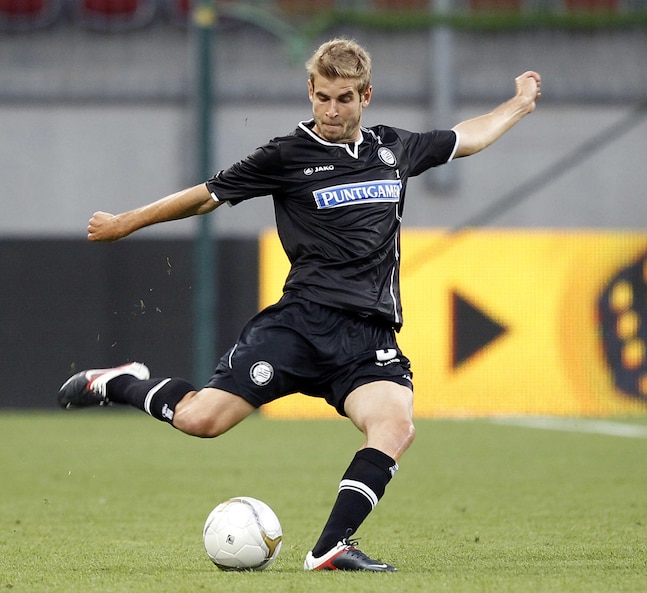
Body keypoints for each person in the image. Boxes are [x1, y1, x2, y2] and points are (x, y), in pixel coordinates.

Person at [58, 37, 541, 572]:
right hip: (299, 327)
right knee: (202, 421)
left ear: (366, 97)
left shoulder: (393, 149)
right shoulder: (286, 155)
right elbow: (205, 195)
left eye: (345, 99)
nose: (332, 111)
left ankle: (330, 547)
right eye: (323, 97)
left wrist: (516, 106)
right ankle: (120, 382)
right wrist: (127, 222)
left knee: (396, 427)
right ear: (310, 91)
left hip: (368, 338)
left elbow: (465, 138)